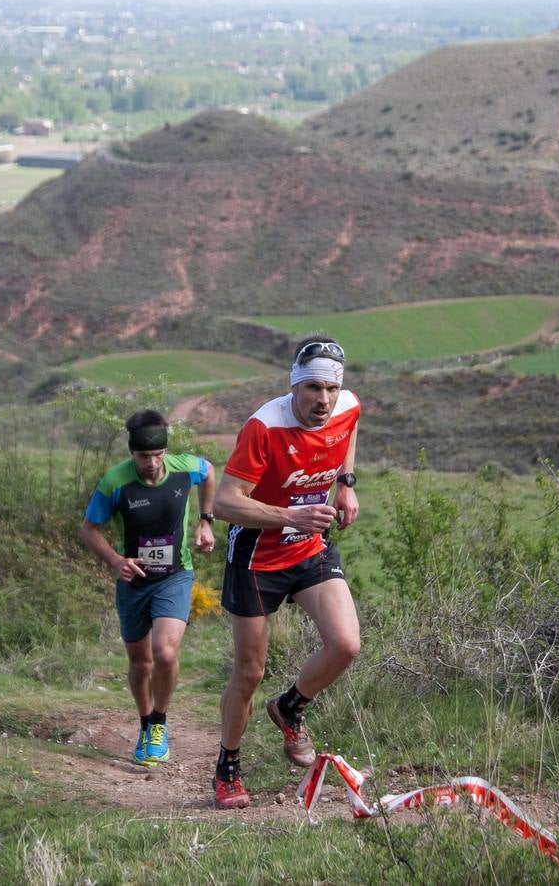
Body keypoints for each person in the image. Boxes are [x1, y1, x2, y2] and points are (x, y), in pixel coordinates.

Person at [210, 335, 361, 809]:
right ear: (294, 385)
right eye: (312, 387)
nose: (323, 400)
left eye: (330, 389)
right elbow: (224, 502)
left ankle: (290, 706)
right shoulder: (264, 427)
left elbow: (347, 431)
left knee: (346, 644)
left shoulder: (347, 407)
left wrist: (346, 485)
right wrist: (288, 516)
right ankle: (228, 765)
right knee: (249, 672)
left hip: (310, 548)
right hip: (256, 558)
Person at [79, 409, 216, 766]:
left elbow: (210, 471)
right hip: (135, 583)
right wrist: (116, 561)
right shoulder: (115, 483)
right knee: (141, 663)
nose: (153, 463)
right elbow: (88, 529)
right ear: (132, 453)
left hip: (175, 575)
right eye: (144, 456)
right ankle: (144, 723)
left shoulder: (186, 468)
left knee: (165, 653)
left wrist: (206, 520)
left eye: (158, 455)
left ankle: (159, 722)